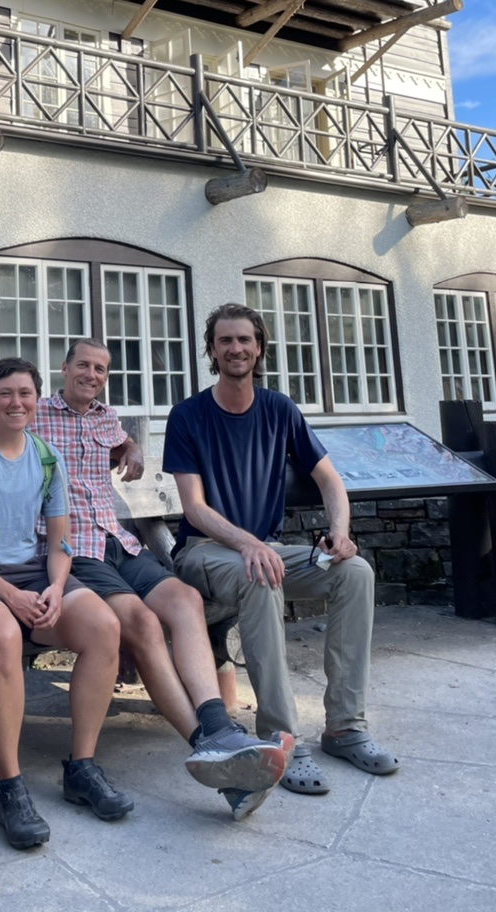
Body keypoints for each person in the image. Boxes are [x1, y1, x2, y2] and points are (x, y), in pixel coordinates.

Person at [32, 338, 293, 821]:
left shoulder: (104, 416)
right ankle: (210, 742)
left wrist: (129, 445)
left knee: (185, 600)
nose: (92, 375)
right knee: (144, 625)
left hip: (119, 541)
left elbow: (115, 443)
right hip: (74, 550)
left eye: (101, 369)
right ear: (64, 368)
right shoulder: (36, 414)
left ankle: (217, 728)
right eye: (83, 366)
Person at [163, 303, 399, 798]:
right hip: (203, 553)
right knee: (260, 572)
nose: (236, 348)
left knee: (354, 572)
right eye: (225, 341)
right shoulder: (187, 415)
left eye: (244, 340)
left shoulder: (279, 409)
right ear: (211, 350)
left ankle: (344, 727)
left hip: (263, 550)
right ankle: (281, 737)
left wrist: (339, 532)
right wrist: (247, 542)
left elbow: (330, 480)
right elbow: (195, 507)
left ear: (260, 348)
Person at [0, 356, 134, 850]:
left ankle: (81, 766)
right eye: (5, 394)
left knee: (103, 627)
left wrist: (54, 586)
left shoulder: (46, 457)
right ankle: (11, 784)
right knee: (2, 635)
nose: (16, 403)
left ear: (36, 398)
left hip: (32, 575)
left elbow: (59, 542)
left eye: (25, 393)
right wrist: (9, 595)